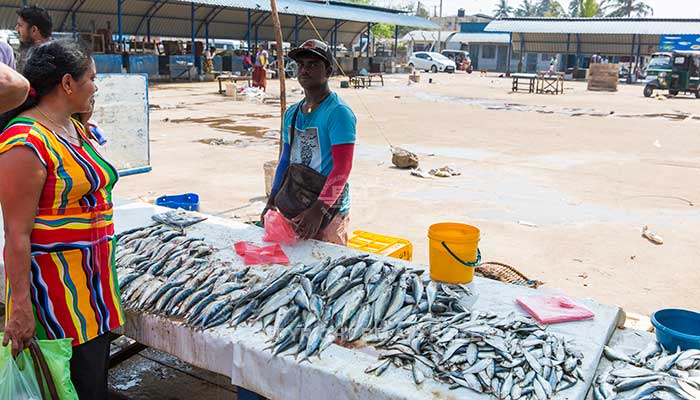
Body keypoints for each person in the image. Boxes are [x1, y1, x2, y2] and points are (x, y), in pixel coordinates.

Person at [0, 40, 123, 399]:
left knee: (92, 384)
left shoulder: (74, 127)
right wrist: (20, 305)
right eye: (91, 78)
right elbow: (16, 233)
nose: (96, 87)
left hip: (93, 291)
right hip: (55, 297)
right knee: (66, 386)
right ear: (67, 84)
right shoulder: (25, 142)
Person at [262, 39, 356, 245]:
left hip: (329, 210)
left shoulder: (338, 113)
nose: (304, 70)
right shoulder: (292, 113)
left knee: (329, 267)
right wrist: (272, 200)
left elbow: (342, 168)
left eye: (313, 65)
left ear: (329, 71)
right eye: (301, 65)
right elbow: (285, 160)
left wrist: (318, 210)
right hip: (296, 203)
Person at [15, 5, 52, 72]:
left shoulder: (49, 59)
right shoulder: (28, 54)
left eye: (20, 25)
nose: (16, 29)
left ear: (33, 30)